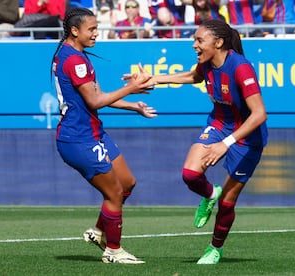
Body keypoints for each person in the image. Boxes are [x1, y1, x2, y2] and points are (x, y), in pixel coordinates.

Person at [145, 19, 268, 264]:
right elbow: (193, 76)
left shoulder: (240, 67)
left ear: (218, 42)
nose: (194, 45)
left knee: (227, 203)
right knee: (190, 174)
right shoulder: (207, 64)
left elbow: (259, 114)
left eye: (199, 40)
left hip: (246, 138)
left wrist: (226, 144)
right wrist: (153, 79)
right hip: (219, 124)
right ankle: (210, 194)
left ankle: (214, 248)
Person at [51, 7, 156, 264]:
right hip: (78, 139)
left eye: (97, 28)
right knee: (114, 193)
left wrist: (133, 105)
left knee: (127, 183)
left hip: (94, 132)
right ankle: (113, 251)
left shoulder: (75, 54)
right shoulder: (73, 60)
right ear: (74, 31)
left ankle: (99, 231)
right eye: (92, 29)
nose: (97, 33)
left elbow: (95, 95)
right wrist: (130, 88)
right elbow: (95, 99)